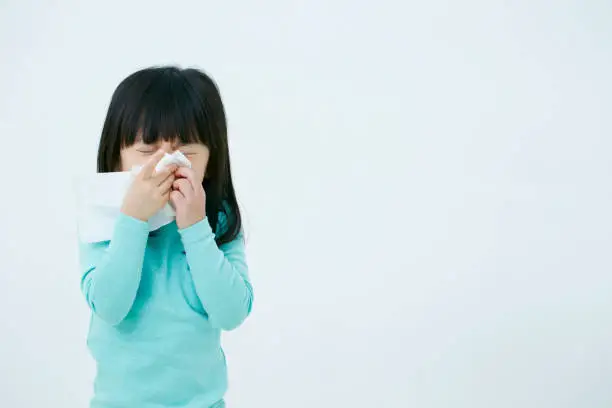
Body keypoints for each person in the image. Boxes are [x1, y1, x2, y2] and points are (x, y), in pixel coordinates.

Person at [78, 66, 254, 408]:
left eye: (186, 152)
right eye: (147, 152)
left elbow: (232, 312)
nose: (168, 165)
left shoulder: (218, 219)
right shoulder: (103, 217)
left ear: (211, 158)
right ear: (118, 155)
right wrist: (132, 219)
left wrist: (195, 228)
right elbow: (109, 306)